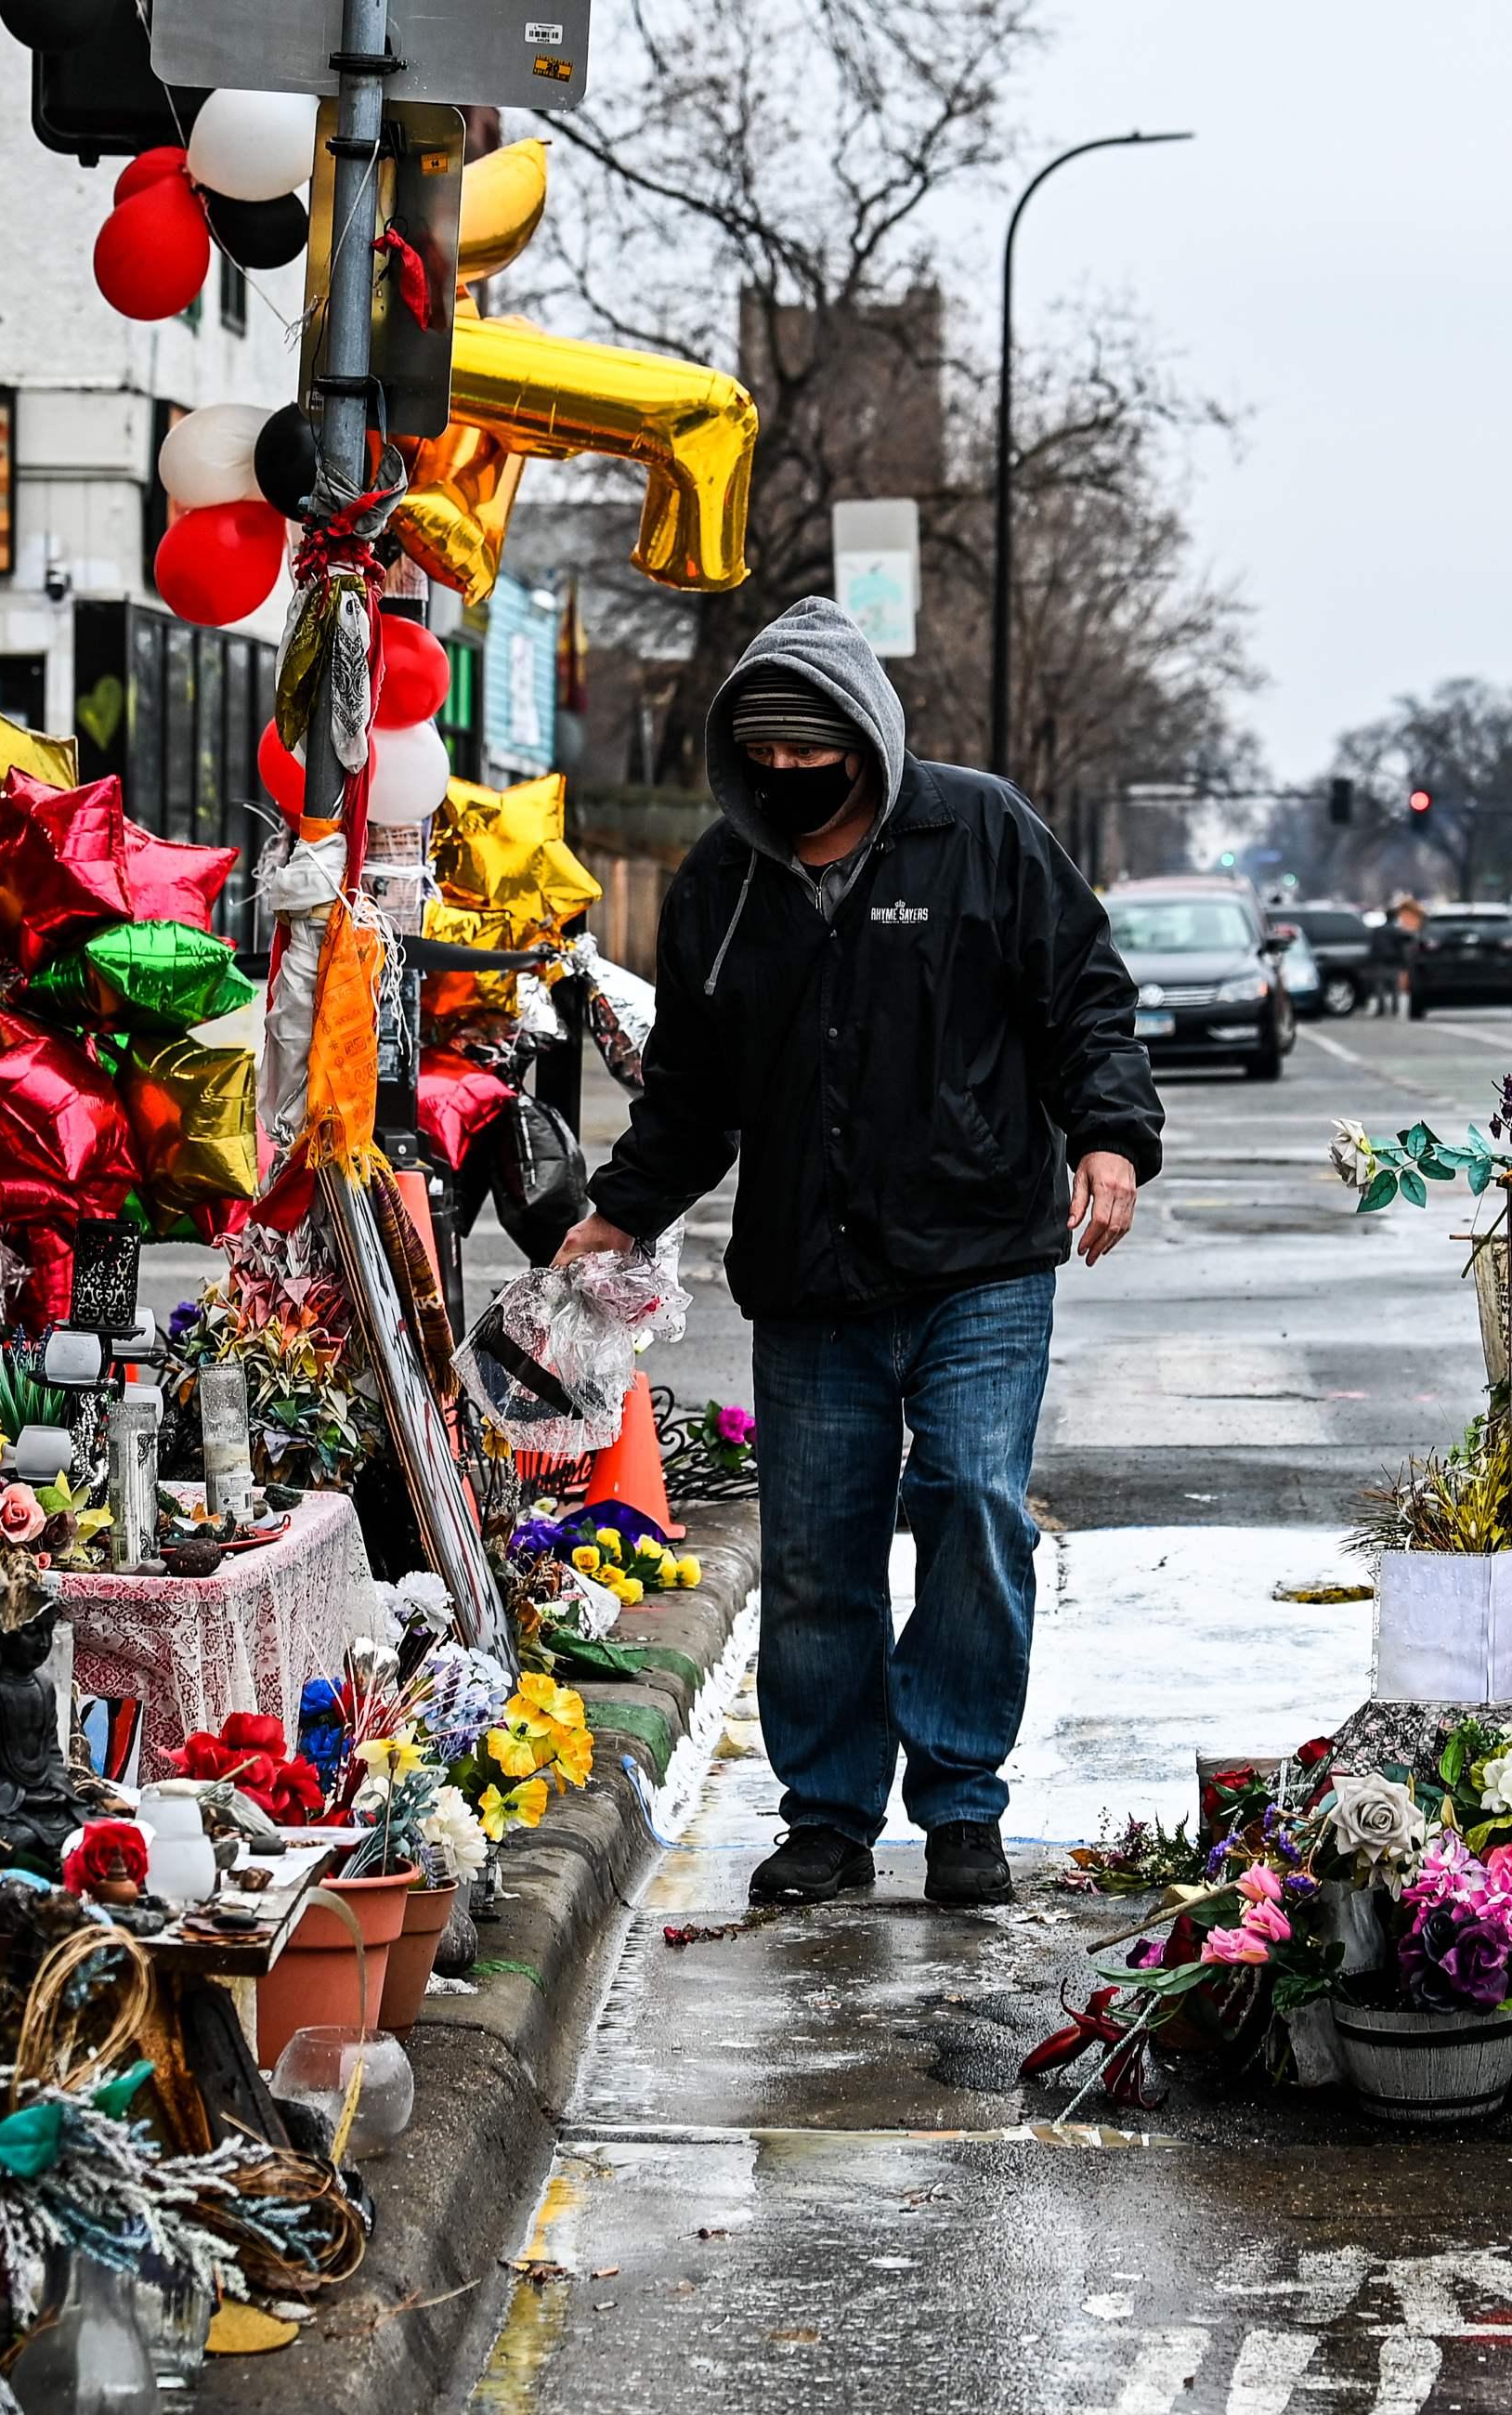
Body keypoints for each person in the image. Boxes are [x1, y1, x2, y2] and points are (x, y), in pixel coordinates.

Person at [556, 596, 1164, 1909]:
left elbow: (1085, 996)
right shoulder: (723, 883)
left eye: (808, 756)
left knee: (969, 1504)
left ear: (866, 742)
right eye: (761, 760)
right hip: (810, 1275)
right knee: (820, 1549)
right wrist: (618, 1212)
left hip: (982, 1258)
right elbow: (691, 1095)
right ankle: (828, 1815)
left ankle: (958, 1806)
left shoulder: (982, 832)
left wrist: (1110, 1140)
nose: (786, 780)